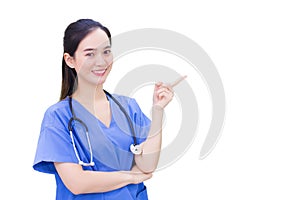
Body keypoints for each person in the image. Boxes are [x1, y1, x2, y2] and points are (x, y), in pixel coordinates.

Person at [33, 19, 174, 199]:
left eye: (106, 52)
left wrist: (158, 111)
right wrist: (130, 176)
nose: (101, 61)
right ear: (70, 60)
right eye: (90, 54)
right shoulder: (58, 117)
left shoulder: (128, 108)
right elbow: (77, 183)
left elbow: (147, 165)